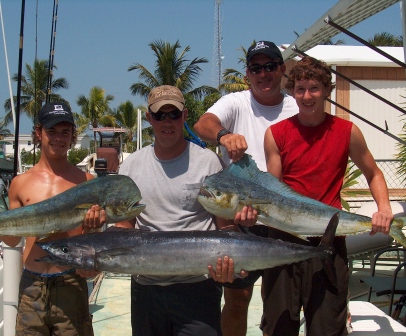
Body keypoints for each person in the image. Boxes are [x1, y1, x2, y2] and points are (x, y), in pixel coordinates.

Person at [262, 56, 393, 336]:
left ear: (326, 91)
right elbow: (272, 192)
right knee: (278, 328)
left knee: (327, 328)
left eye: (313, 89)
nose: (306, 96)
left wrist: (383, 209)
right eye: (299, 89)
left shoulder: (348, 132)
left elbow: (374, 174)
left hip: (329, 242)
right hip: (283, 243)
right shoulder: (276, 134)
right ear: (292, 91)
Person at [116, 85, 254, 336]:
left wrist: (231, 264)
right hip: (146, 290)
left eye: (174, 114)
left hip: (198, 289)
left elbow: (225, 227)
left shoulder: (208, 162)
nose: (167, 122)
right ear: (149, 118)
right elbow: (124, 227)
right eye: (160, 115)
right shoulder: (131, 166)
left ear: (185, 115)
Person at [193, 40, 298, 336]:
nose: (263, 74)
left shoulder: (295, 104)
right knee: (237, 299)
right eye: (255, 68)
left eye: (269, 67)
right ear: (247, 73)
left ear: (282, 69)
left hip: (283, 219)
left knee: (283, 304)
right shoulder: (236, 102)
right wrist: (224, 136)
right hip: (237, 219)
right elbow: (204, 123)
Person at [0, 102, 106, 335]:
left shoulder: (87, 181)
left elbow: (90, 241)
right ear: (38, 133)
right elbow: (13, 242)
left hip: (70, 282)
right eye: (52, 131)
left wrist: (93, 227)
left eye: (65, 132)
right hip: (31, 286)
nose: (58, 138)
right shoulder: (19, 183)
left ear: (73, 136)